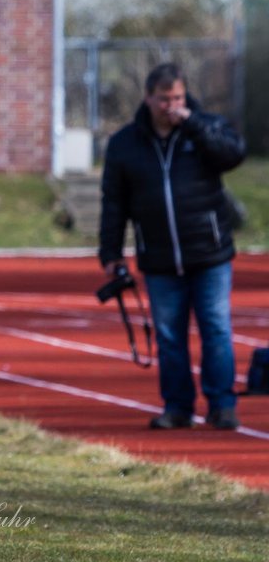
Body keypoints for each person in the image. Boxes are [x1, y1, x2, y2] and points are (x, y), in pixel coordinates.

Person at [99, 62, 246, 430]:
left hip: (209, 252)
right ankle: (178, 406)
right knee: (168, 335)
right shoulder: (125, 144)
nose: (171, 105)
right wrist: (111, 253)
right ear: (148, 98)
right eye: (164, 99)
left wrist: (192, 123)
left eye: (178, 97)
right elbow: (113, 202)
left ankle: (222, 405)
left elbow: (232, 155)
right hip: (160, 257)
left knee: (216, 328)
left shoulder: (205, 128)